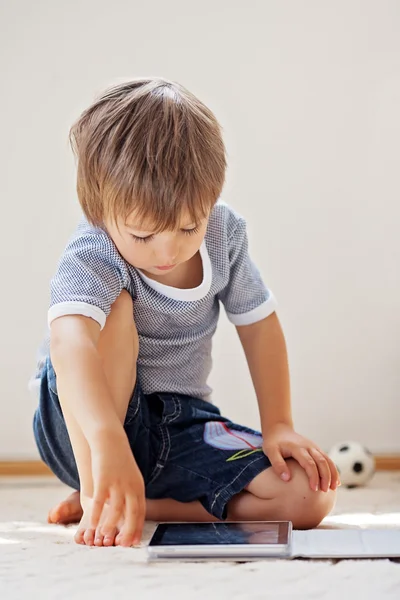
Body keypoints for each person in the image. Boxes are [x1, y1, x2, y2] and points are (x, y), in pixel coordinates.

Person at [33, 77, 339, 548]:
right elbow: (69, 341)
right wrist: (106, 438)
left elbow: (259, 325)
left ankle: (134, 499)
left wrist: (278, 423)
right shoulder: (93, 251)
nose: (168, 250)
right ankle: (99, 486)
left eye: (188, 226)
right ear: (100, 209)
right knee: (114, 311)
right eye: (142, 234)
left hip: (181, 424)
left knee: (309, 497)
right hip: (84, 427)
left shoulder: (224, 234)